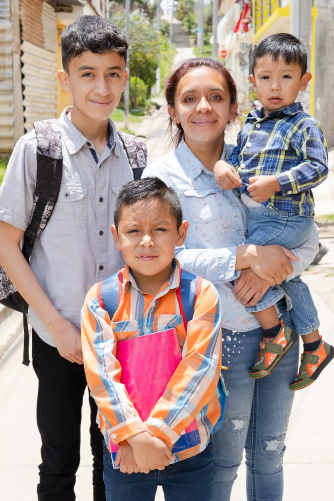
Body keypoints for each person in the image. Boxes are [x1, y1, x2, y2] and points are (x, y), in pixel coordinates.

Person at [142, 57, 319, 501]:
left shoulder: (261, 156)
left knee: (270, 454)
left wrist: (272, 269)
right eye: (189, 99)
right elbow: (162, 260)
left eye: (216, 97)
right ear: (172, 110)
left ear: (234, 106)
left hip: (281, 330)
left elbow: (308, 233)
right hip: (219, 341)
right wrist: (244, 258)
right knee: (222, 465)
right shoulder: (161, 178)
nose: (204, 107)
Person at [0, 16, 137, 501]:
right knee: (59, 459)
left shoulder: (136, 157)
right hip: (56, 334)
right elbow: (6, 243)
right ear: (65, 79)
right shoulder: (36, 150)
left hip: (121, 338)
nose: (102, 86)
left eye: (113, 73)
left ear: (125, 75)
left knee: (115, 458)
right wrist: (55, 325)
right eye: (87, 73)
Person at [81, 177, 223, 501]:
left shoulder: (201, 295)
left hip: (190, 450)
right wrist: (135, 438)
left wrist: (155, 437)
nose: (147, 241)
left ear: (181, 233)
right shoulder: (101, 300)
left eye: (160, 229)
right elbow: (101, 376)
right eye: (133, 231)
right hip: (126, 453)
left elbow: (200, 369)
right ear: (117, 237)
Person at [214, 34, 334, 389]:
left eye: (286, 76)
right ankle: (313, 345)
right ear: (252, 82)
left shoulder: (303, 125)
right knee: (287, 278)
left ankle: (275, 333)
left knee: (244, 273)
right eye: (265, 77)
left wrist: (276, 183)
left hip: (285, 217)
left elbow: (318, 167)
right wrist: (223, 165)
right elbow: (235, 160)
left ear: (304, 81)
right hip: (261, 218)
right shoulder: (251, 123)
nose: (275, 85)